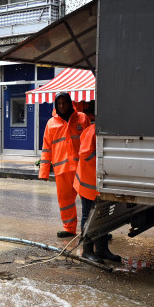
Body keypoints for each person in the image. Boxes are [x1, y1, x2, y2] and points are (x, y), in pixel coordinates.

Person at [73, 103, 121, 263]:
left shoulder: (103, 131)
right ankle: (87, 250)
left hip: (98, 184)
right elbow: (86, 154)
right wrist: (104, 163)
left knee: (103, 216)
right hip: (88, 185)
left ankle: (102, 249)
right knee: (89, 216)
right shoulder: (92, 131)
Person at [38, 92, 90, 238]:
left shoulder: (82, 118)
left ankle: (92, 229)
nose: (62, 106)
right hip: (62, 170)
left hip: (81, 168)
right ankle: (69, 228)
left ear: (70, 103)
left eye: (64, 102)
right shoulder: (51, 123)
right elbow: (46, 148)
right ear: (56, 105)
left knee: (88, 199)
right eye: (59, 103)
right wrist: (44, 172)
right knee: (65, 201)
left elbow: (90, 141)